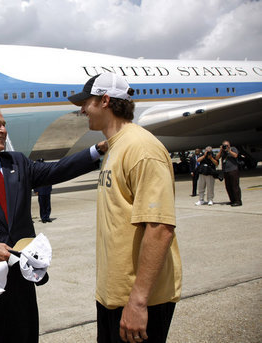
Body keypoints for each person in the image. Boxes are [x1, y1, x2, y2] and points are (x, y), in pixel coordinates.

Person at [0, 103, 106, 343]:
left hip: (22, 280)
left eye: (4, 124)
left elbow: (56, 170)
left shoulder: (17, 163)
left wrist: (96, 150)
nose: (4, 130)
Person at [68, 73, 182, 343]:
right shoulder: (115, 148)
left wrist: (138, 302)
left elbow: (160, 228)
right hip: (114, 296)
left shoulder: (142, 149)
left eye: (87, 102)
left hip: (141, 301)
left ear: (105, 100)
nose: (82, 110)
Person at [216, 140, 242, 206]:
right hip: (225, 171)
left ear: (229, 145)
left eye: (227, 145)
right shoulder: (222, 151)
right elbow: (217, 157)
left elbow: (235, 155)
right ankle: (232, 200)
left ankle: (238, 201)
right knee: (228, 186)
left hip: (233, 170)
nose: (225, 147)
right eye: (224, 145)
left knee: (235, 186)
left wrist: (229, 150)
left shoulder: (233, 149)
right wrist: (221, 150)